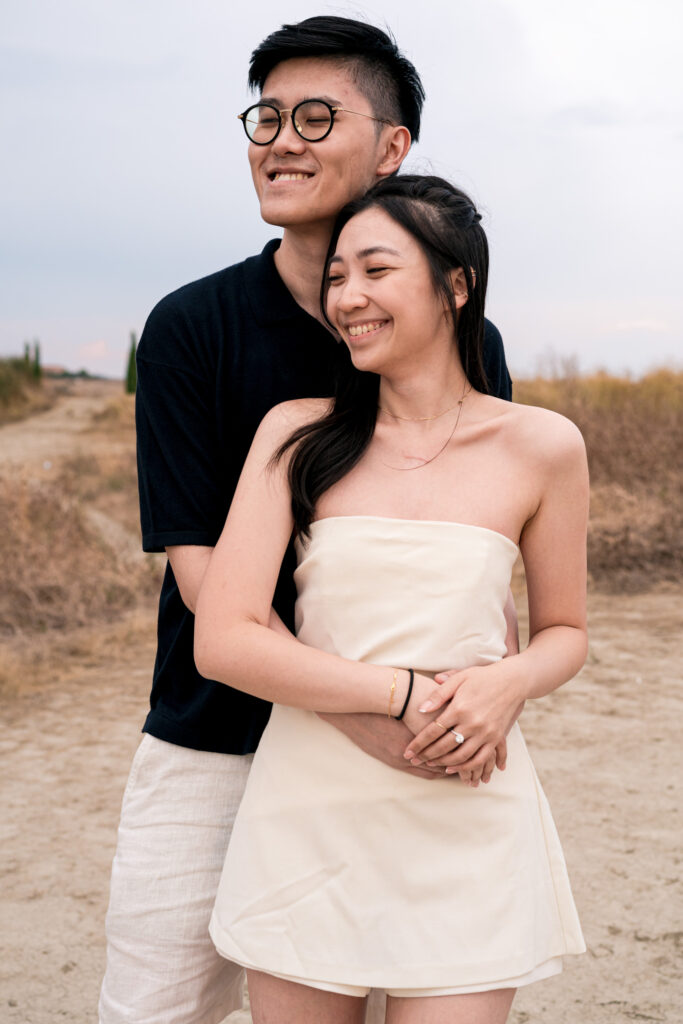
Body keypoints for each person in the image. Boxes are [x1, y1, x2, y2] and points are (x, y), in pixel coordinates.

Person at [99, 17, 514, 1024]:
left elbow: (481, 563)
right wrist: (375, 714)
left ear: (391, 147)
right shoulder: (193, 327)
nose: (279, 138)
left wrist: (483, 698)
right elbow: (207, 586)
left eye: (315, 115)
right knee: (159, 1008)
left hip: (406, 748)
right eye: (266, 115)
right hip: (221, 741)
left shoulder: (465, 337)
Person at [195, 174, 588, 1024]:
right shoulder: (295, 434)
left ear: (456, 285)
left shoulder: (542, 445)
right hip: (310, 816)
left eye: (374, 270)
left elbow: (564, 630)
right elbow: (222, 639)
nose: (348, 297)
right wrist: (402, 691)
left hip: (467, 804)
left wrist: (508, 681)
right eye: (336, 277)